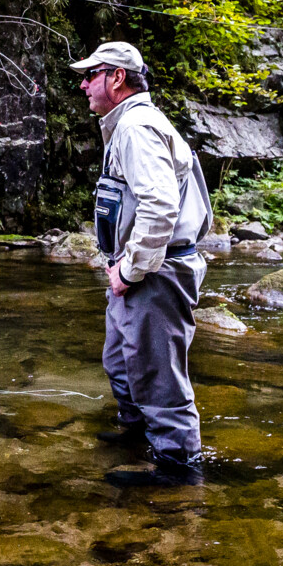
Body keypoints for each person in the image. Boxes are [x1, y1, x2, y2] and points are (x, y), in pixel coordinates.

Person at [74, 41, 213, 486]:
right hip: (140, 271)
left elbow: (159, 207)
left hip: (155, 273)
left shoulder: (136, 127)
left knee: (159, 382)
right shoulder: (128, 125)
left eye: (90, 75)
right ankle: (136, 440)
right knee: (121, 364)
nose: (83, 85)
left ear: (117, 77)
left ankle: (178, 475)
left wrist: (130, 270)